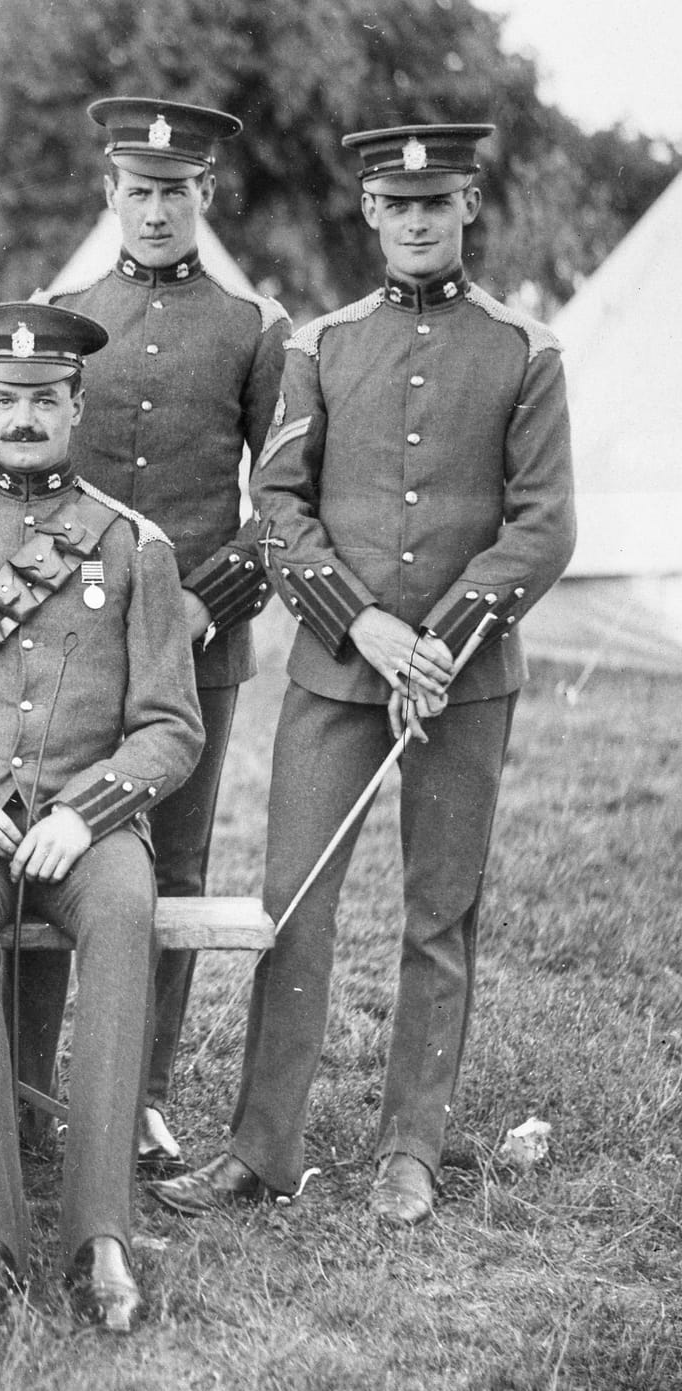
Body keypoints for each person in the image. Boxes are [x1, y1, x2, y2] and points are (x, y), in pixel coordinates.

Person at [153, 123, 576, 1228]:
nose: (418, 220)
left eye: (437, 201)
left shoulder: (525, 348)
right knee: (291, 899)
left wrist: (439, 640)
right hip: (337, 675)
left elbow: (542, 528)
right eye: (397, 203)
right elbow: (280, 507)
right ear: (369, 212)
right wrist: (369, 632)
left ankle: (411, 1147)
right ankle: (260, 1146)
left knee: (440, 913)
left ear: (468, 205)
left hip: (464, 678)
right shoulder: (322, 343)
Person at [0, 303, 203, 1331]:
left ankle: (98, 1233)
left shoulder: (133, 545)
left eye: (42, 400)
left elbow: (168, 726)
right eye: (5, 397)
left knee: (122, 913)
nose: (21, 417)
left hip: (88, 824)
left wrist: (88, 808)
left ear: (75, 405)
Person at [11, 99, 288, 1169]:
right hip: (66, 639)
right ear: (109, 194)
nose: (157, 207)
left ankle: (140, 1090)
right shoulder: (63, 310)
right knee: (44, 842)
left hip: (196, 645)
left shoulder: (249, 326)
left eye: (177, 190)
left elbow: (282, 504)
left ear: (203, 197)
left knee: (171, 860)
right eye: (139, 189)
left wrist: (201, 603)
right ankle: (36, 1087)